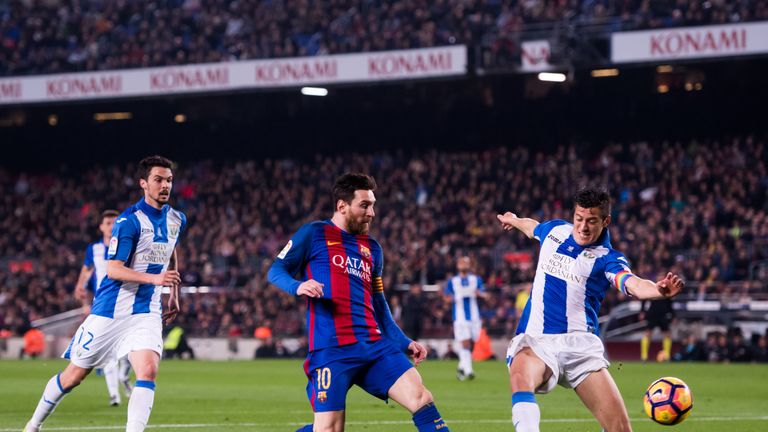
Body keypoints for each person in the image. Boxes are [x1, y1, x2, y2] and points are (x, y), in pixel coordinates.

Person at [268, 172, 450, 432]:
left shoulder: (373, 249)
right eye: (364, 205)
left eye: (373, 205)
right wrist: (298, 286)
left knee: (422, 398)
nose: (372, 213)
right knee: (329, 429)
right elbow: (275, 270)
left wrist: (403, 342)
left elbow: (379, 305)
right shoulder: (314, 234)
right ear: (342, 206)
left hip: (375, 346)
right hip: (332, 350)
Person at [496, 187, 684, 432]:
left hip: (580, 347)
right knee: (520, 377)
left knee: (620, 429)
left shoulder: (607, 258)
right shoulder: (555, 231)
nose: (583, 227)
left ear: (606, 221)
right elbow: (534, 228)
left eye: (591, 221)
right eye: (579, 219)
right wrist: (515, 220)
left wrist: (659, 291)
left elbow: (632, 283)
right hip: (538, 339)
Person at [24, 155, 185, 432]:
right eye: (158, 180)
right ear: (143, 184)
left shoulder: (176, 219)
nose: (165, 185)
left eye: (169, 180)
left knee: (148, 370)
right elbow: (113, 270)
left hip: (146, 310)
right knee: (74, 376)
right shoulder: (128, 222)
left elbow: (170, 254)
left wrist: (173, 292)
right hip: (111, 311)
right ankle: (33, 424)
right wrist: (156, 278)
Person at [73, 209, 134, 406]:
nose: (110, 226)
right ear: (101, 226)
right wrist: (80, 288)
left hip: (126, 302)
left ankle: (124, 375)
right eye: (107, 223)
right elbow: (86, 270)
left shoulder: (127, 244)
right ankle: (114, 395)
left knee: (129, 351)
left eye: (114, 223)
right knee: (108, 353)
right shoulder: (95, 249)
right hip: (104, 305)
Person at [444, 256, 488, 380]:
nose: (463, 265)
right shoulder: (453, 281)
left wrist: (480, 294)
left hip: (475, 317)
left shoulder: (476, 280)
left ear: (470, 265)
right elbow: (446, 297)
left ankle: (461, 367)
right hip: (460, 316)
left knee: (472, 344)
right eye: (461, 262)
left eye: (466, 263)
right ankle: (469, 371)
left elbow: (485, 294)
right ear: (457, 265)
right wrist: (451, 299)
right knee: (466, 343)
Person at [639, 298, 674, 362]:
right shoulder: (651, 288)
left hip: (663, 313)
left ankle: (667, 356)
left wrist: (672, 314)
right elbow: (644, 298)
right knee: (648, 333)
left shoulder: (665, 289)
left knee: (667, 334)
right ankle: (644, 356)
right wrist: (642, 310)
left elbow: (669, 300)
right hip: (653, 312)